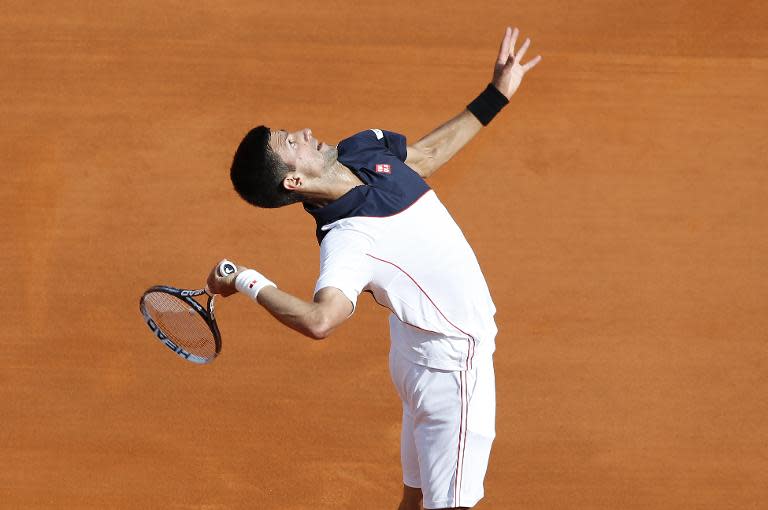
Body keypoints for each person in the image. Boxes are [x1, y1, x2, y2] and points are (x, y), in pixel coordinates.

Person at [207, 26, 541, 510]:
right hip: (452, 366)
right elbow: (321, 319)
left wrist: (496, 95)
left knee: (415, 500)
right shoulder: (348, 240)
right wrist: (245, 278)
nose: (302, 132)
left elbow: (424, 157)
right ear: (296, 179)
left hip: (415, 351)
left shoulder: (363, 147)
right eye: (289, 143)